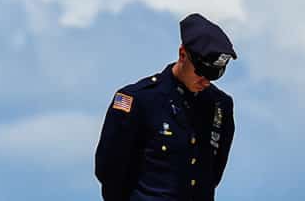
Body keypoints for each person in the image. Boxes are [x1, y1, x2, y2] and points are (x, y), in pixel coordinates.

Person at [95, 13, 237, 201]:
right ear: (182, 55)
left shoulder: (219, 105)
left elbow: (213, 173)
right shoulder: (137, 100)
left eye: (214, 75)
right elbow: (110, 172)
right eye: (202, 72)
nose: (206, 81)